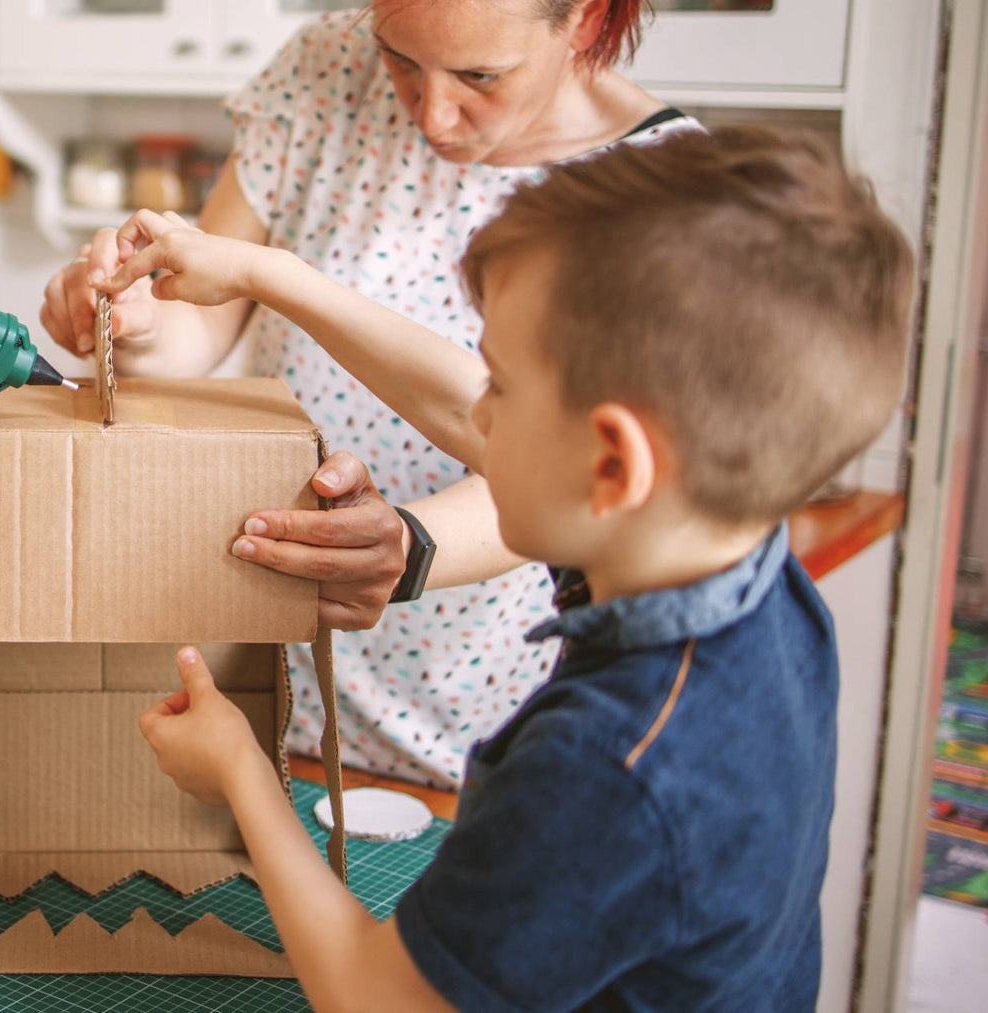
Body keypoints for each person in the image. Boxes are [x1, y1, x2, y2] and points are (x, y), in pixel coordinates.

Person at [136, 127, 913, 1009]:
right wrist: (263, 272)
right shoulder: (758, 579)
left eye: (501, 384)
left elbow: (374, 995)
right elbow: (463, 406)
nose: (479, 412)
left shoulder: (608, 767)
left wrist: (241, 771)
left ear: (612, 463)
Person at [44, 0, 698, 787]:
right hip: (274, 691)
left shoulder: (661, 191)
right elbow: (206, 326)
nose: (433, 114)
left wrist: (408, 546)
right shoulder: (325, 67)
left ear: (588, 20)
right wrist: (140, 322)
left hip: (476, 725)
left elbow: (570, 479)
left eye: (480, 75)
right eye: (400, 59)